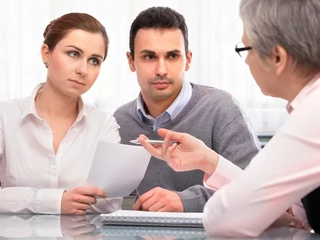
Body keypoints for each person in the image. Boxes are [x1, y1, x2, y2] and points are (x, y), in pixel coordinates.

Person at [137, 0, 320, 237]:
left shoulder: (312, 117)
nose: (246, 61)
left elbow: (224, 219)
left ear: (277, 58)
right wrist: (210, 161)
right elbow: (294, 217)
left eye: (246, 49)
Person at [114, 6, 260, 213]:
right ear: (131, 61)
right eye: (149, 57)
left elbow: (255, 190)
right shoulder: (119, 121)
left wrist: (185, 201)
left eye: (172, 56)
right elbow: (110, 197)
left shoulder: (223, 110)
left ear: (188, 60)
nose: (161, 70)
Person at [0, 12, 122, 214]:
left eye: (94, 61)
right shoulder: (5, 117)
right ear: (46, 53)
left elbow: (109, 202)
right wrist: (54, 201)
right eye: (73, 54)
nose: (83, 69)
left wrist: (18, 199)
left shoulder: (104, 125)